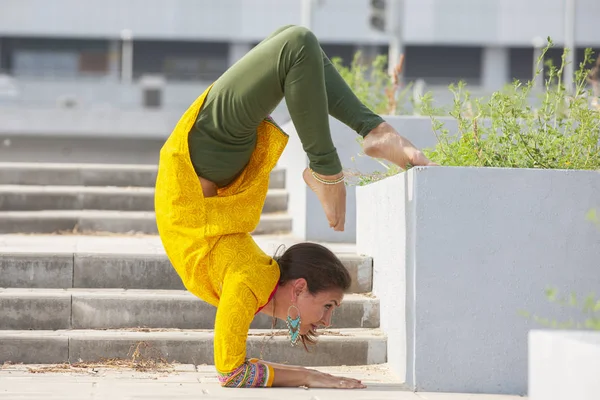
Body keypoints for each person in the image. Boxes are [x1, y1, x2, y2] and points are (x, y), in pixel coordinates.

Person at [154, 25, 436, 389]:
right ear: (300, 288)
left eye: (331, 308)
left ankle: (353, 148)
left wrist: (308, 376)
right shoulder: (253, 279)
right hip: (209, 162)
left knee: (296, 44)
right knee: (297, 43)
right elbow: (233, 373)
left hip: (204, 161)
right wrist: (308, 376)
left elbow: (231, 372)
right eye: (330, 306)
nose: (328, 321)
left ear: (298, 287)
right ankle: (344, 155)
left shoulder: (249, 284)